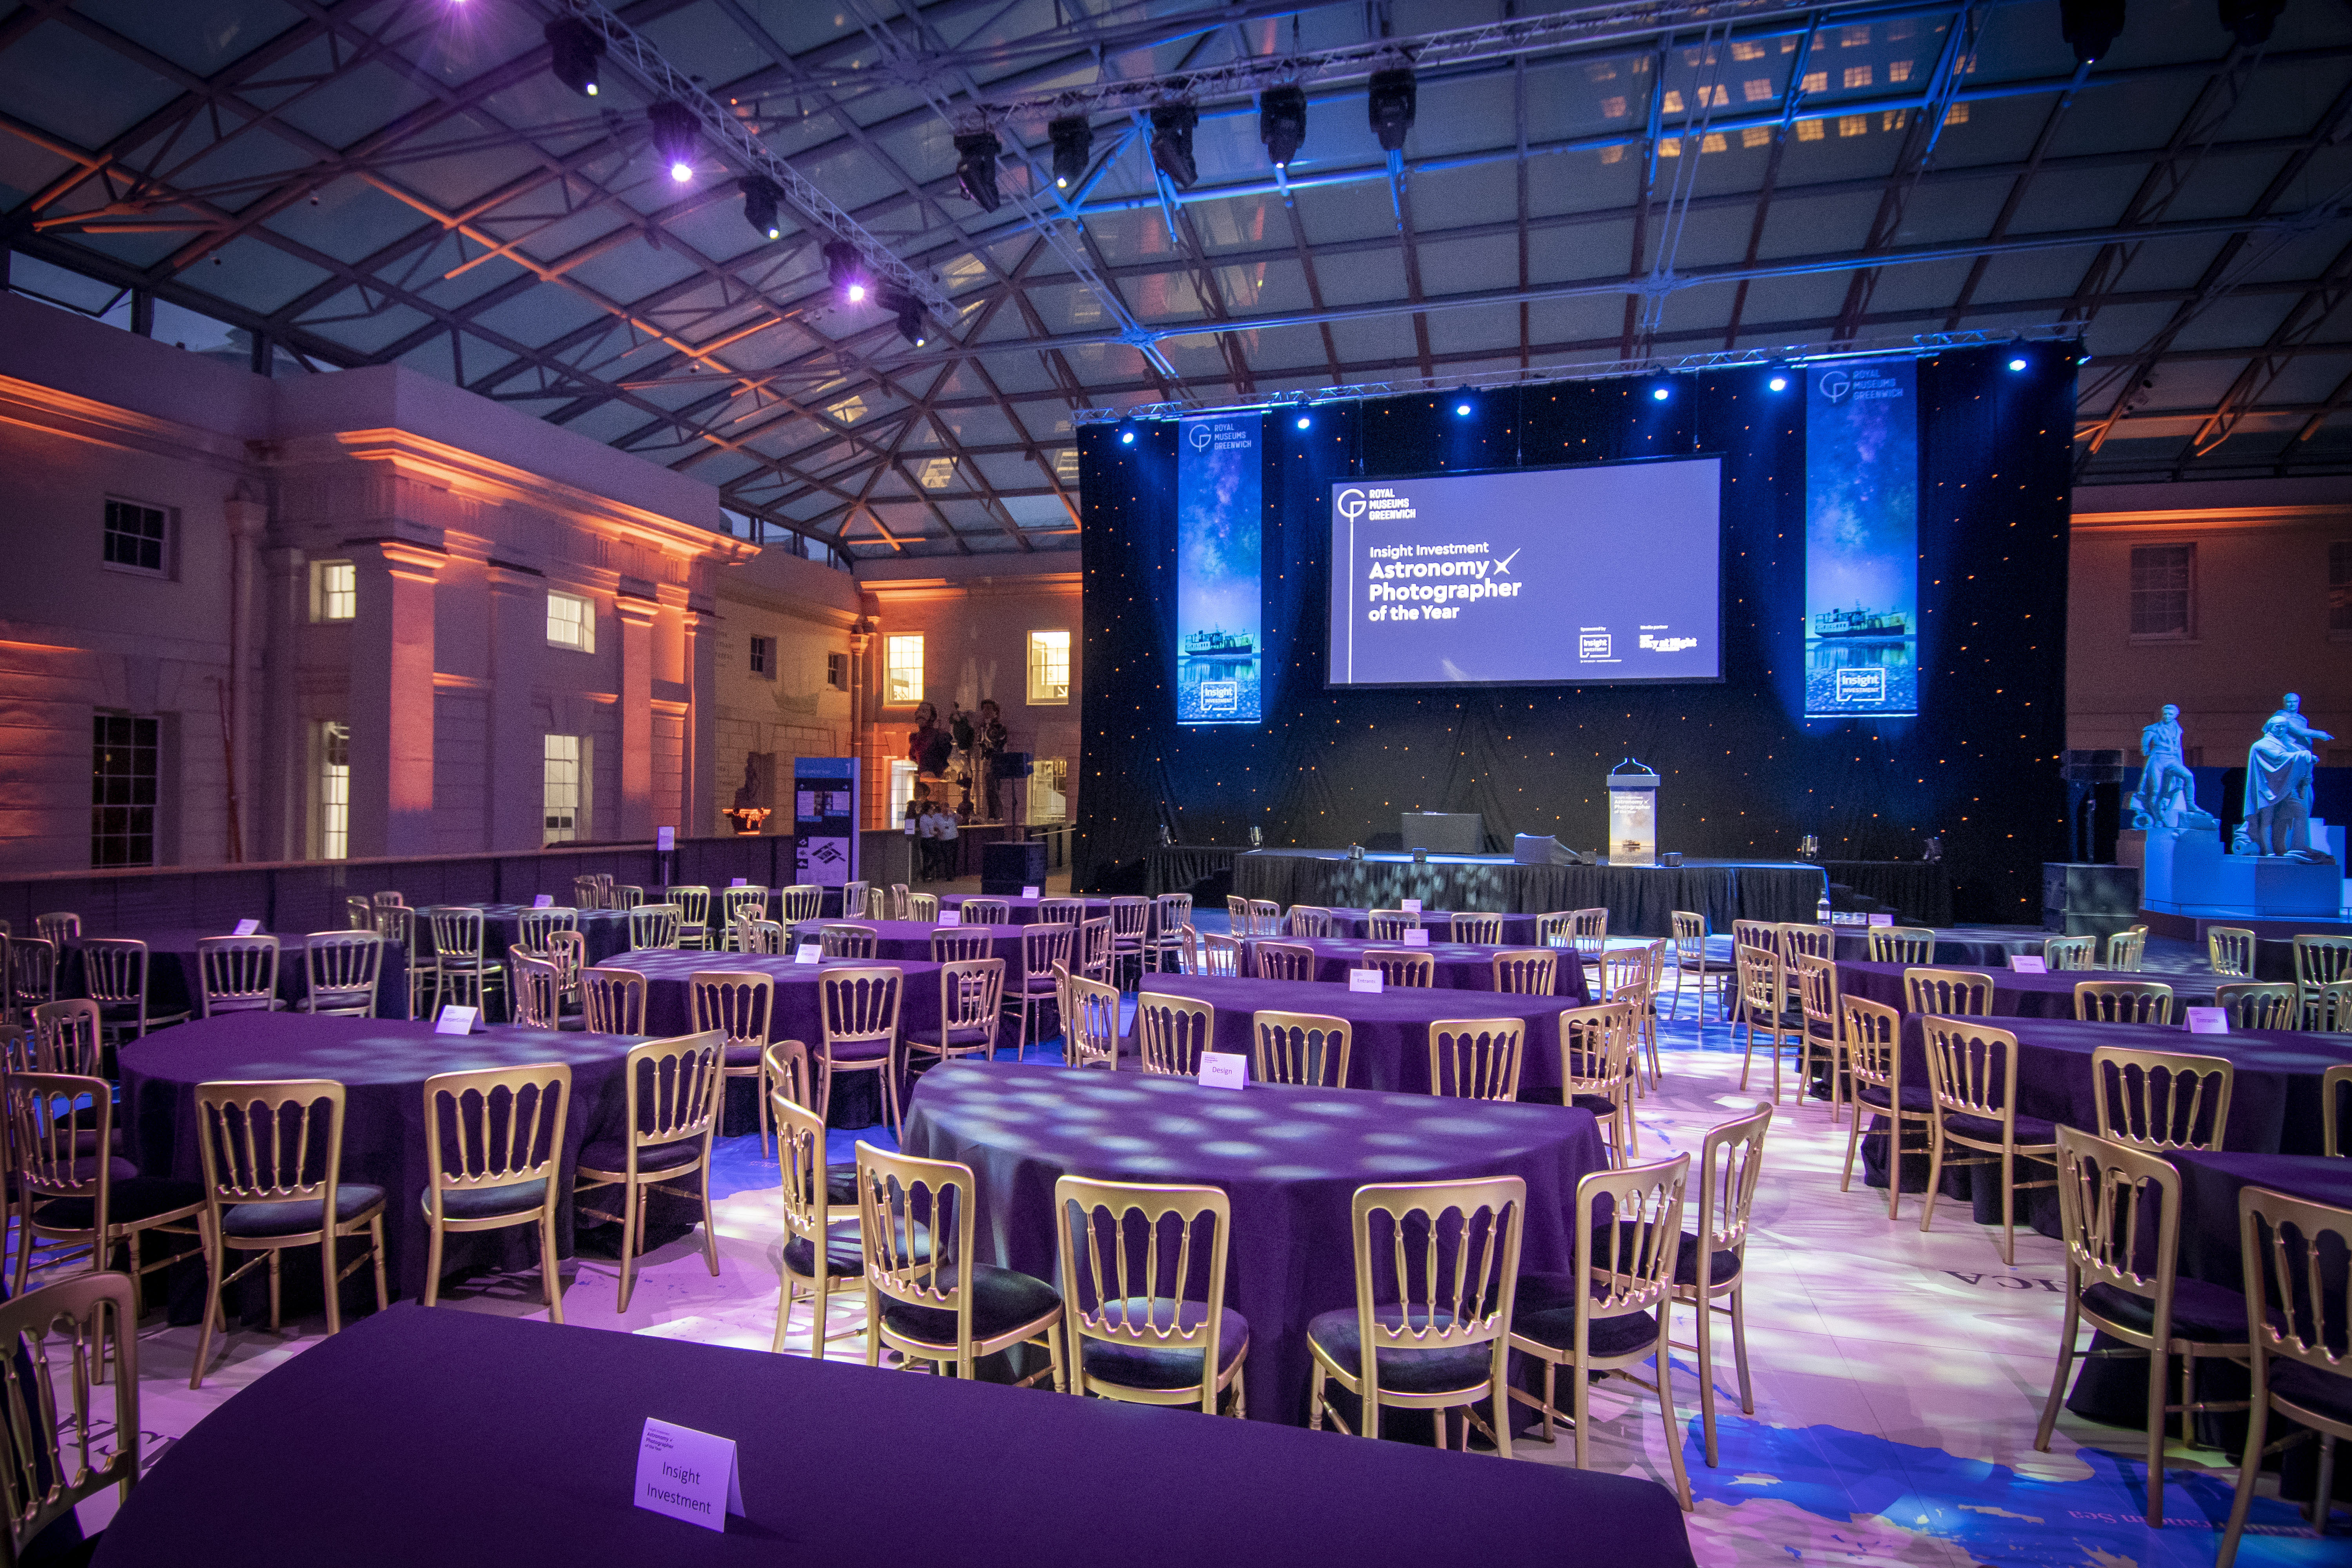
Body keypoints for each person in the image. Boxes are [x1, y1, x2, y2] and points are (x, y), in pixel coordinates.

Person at [2128, 704, 2200, 830]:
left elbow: (2178, 748)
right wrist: (2148, 753)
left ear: (2175, 716)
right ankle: (2158, 818)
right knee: (2155, 791)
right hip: (2158, 759)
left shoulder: (2178, 729)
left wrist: (2180, 763)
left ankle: (2191, 804)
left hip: (2172, 760)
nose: (2167, 716)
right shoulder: (2153, 728)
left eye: (2170, 714)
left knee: (2188, 776)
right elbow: (2145, 745)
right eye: (2165, 714)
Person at [976, 699, 1010, 821]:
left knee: (995, 788)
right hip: (987, 760)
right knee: (988, 789)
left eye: (989, 709)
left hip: (996, 761)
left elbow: (999, 742)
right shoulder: (983, 727)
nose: (986, 711)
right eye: (984, 709)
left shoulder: (1000, 728)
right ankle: (991, 815)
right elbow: (981, 742)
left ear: (996, 712)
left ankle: (998, 815)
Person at [907, 702, 951, 779]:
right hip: (922, 778)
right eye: (918, 712)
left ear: (932, 717)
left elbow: (947, 759)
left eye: (924, 711)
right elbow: (913, 757)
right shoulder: (914, 738)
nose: (920, 714)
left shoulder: (941, 736)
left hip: (936, 777)